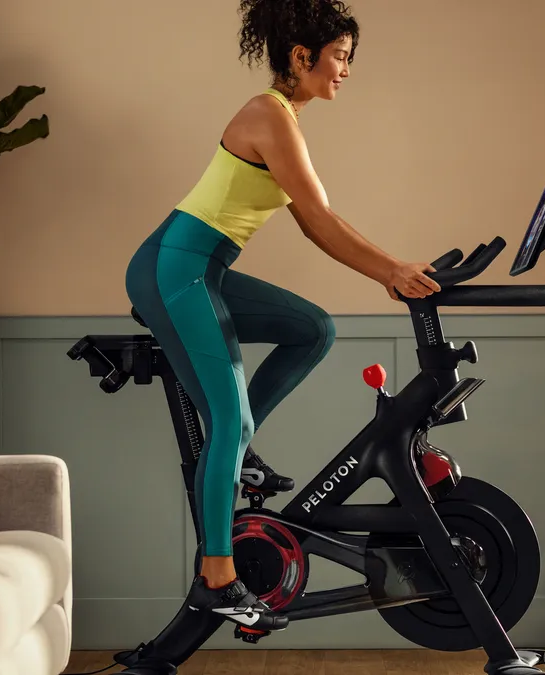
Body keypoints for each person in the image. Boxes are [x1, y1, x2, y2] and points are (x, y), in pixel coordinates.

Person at [124, 0, 440, 632]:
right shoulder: (269, 116)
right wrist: (392, 270)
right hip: (176, 269)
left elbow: (314, 222)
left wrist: (393, 270)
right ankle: (217, 577)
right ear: (302, 56)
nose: (346, 70)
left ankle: (235, 449)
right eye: (340, 57)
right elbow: (322, 220)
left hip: (199, 268)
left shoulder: (283, 119)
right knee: (230, 421)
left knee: (312, 329)